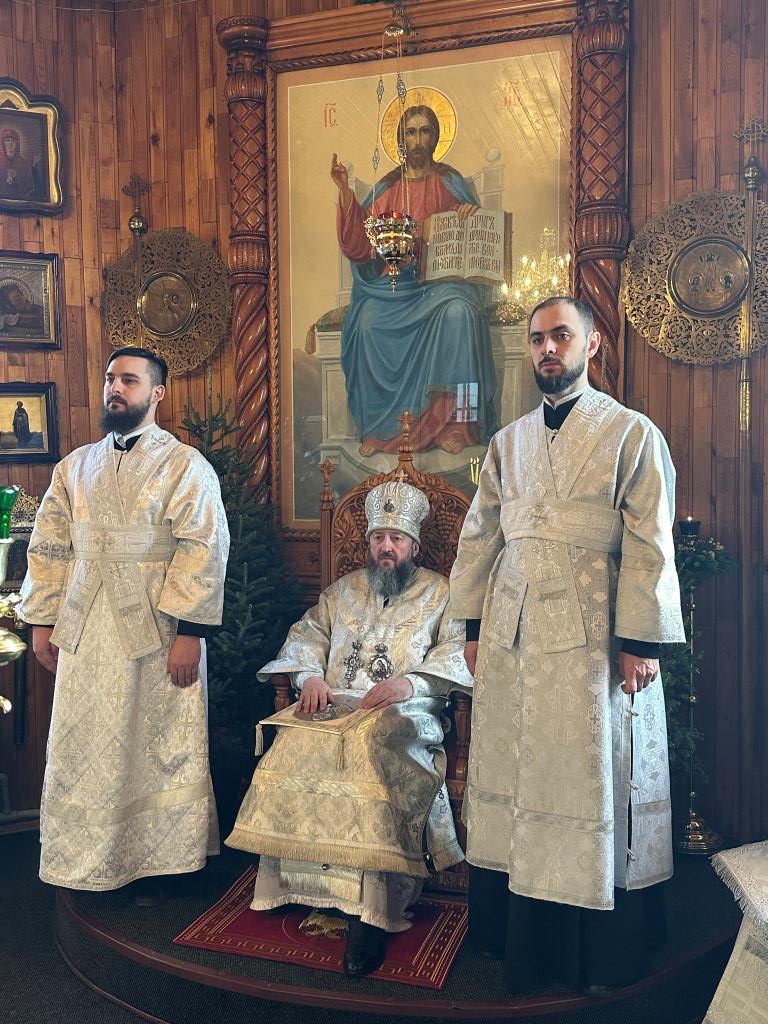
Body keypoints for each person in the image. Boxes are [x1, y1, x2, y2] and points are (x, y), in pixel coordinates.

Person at [448, 296, 686, 993]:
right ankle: (519, 934)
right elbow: (479, 537)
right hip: (513, 635)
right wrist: (473, 627)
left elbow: (650, 543)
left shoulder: (631, 432)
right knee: (520, 769)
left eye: (561, 336)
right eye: (537, 339)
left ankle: (597, 950)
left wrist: (639, 641)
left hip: (596, 640)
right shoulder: (508, 441)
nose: (548, 349)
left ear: (592, 345)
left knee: (590, 771)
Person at [226, 480, 472, 975]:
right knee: (293, 740)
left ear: (414, 546)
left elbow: (457, 653)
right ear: (368, 544)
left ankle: (370, 912)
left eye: (396, 539)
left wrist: (408, 683)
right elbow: (306, 636)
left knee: (368, 747)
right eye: (379, 538)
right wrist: (309, 677)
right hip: (333, 706)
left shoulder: (441, 593)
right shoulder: (341, 592)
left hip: (404, 713)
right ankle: (295, 886)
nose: (386, 547)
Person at [19, 346, 230, 901]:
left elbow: (203, 547)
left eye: (129, 380)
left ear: (157, 393)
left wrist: (190, 633)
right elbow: (49, 546)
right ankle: (89, 861)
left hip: (158, 631)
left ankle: (161, 865)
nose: (115, 388)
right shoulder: (74, 466)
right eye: (111, 378)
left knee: (158, 741)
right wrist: (41, 621)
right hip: (85, 628)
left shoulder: (184, 465)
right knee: (86, 742)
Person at [332, 104, 497, 456]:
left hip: (441, 285)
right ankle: (379, 430)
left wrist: (470, 215)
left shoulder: (451, 182)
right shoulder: (387, 188)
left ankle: (456, 424)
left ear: (435, 136)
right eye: (411, 132)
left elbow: (481, 241)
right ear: (401, 140)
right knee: (367, 323)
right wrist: (345, 192)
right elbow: (359, 244)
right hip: (396, 286)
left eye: (424, 131)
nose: (418, 140)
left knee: (460, 314)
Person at [0, 127, 39, 199]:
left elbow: (29, 187)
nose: (10, 144)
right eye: (7, 140)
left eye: (13, 141)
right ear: (3, 144)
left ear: (17, 144)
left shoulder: (25, 165)